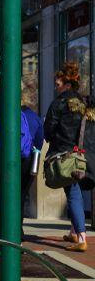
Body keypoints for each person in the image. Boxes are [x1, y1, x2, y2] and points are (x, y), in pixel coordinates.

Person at [44, 62, 88, 251]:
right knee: (73, 189)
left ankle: (81, 238)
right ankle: (74, 232)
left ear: (67, 85)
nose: (56, 87)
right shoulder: (83, 103)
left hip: (63, 154)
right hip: (80, 154)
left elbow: (49, 131)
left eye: (58, 84)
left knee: (73, 192)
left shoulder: (58, 103)